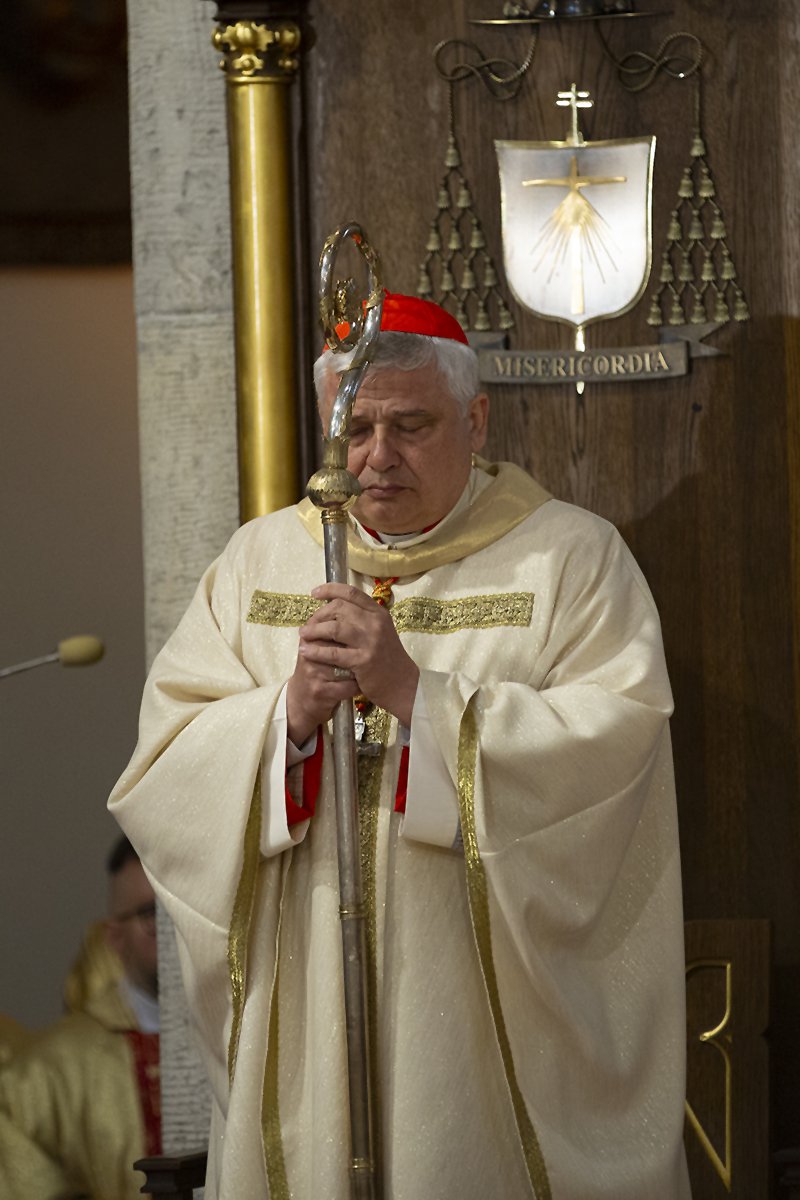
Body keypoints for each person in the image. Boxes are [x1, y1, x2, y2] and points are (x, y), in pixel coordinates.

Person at [108, 292, 691, 1199]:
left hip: (473, 1020)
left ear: (475, 420)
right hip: (307, 1001)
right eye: (355, 430)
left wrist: (420, 698)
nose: (377, 458)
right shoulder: (258, 564)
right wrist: (287, 718)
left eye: (411, 426)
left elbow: (612, 753)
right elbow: (163, 771)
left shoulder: (569, 560)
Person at [0, 835, 161, 1199]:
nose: (171, 929)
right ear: (114, 937)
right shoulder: (44, 1074)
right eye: (150, 914)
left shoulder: (250, 1037)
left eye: (180, 910)